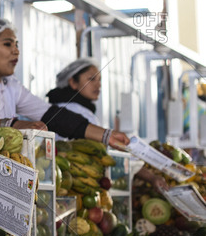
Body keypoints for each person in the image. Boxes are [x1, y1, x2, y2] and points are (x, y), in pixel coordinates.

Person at [0, 18, 129, 149]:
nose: (16, 51)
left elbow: (53, 116)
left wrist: (107, 136)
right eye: (8, 44)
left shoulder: (10, 86)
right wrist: (16, 125)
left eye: (17, 45)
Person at [49, 57, 168, 192]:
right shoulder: (78, 113)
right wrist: (151, 177)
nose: (98, 85)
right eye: (91, 79)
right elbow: (109, 154)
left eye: (99, 80)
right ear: (73, 82)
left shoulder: (58, 107)